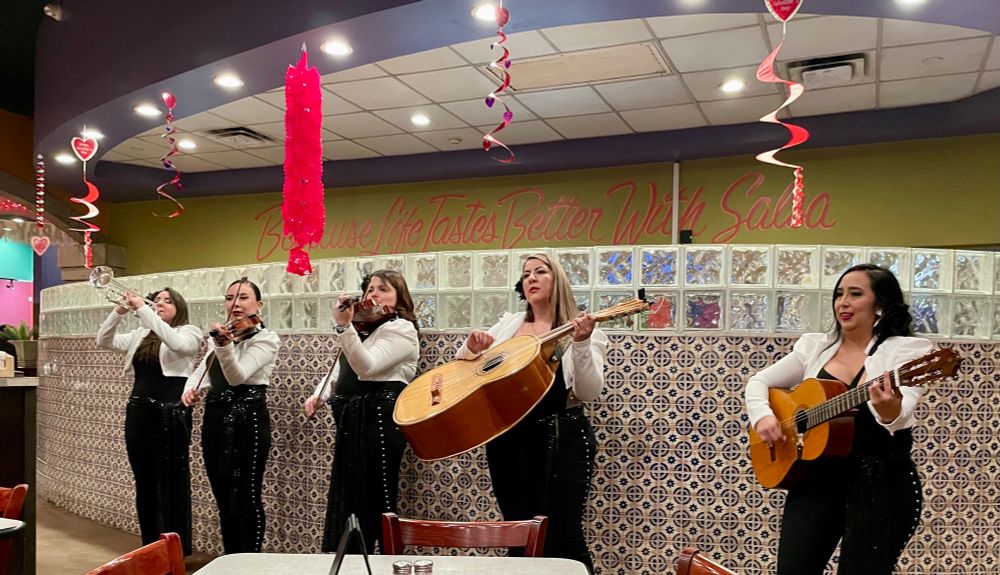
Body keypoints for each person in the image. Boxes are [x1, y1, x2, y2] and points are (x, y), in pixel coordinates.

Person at [744, 264, 933, 575]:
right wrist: (763, 417)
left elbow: (900, 415)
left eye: (855, 294)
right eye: (839, 294)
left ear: (880, 305)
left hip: (880, 482)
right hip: (816, 479)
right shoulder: (816, 346)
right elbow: (758, 382)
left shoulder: (907, 352)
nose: (843, 302)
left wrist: (888, 409)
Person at [454, 253, 607, 573]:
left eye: (540, 271)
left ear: (558, 280)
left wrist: (581, 344)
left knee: (565, 537)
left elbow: (589, 391)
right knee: (518, 536)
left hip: (563, 439)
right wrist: (472, 347)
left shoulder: (581, 327)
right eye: (526, 275)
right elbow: (464, 365)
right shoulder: (509, 324)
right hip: (508, 441)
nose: (532, 278)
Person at [304, 270, 420, 553]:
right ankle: (356, 562)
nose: (374, 295)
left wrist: (345, 328)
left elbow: (366, 367)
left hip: (379, 421)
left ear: (399, 298)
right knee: (353, 500)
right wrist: (321, 393)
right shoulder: (366, 329)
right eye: (370, 290)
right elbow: (343, 368)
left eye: (383, 289)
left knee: (377, 500)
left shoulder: (401, 328)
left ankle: (385, 564)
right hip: (352, 419)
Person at [95, 288, 202, 555]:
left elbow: (177, 344)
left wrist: (143, 309)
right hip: (139, 412)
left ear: (180, 306)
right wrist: (119, 310)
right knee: (144, 481)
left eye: (168, 301)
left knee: (171, 481)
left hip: (170, 414)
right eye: (158, 300)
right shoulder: (141, 334)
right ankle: (150, 546)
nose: (160, 304)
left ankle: (174, 549)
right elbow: (103, 340)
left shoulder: (189, 332)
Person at [181, 278, 280, 554]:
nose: (235, 304)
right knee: (223, 495)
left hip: (248, 419)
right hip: (215, 419)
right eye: (229, 298)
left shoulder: (267, 338)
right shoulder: (223, 336)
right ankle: (231, 557)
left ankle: (250, 561)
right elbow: (201, 372)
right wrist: (191, 389)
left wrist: (224, 346)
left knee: (247, 495)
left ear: (258, 305)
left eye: (243, 297)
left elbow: (237, 377)